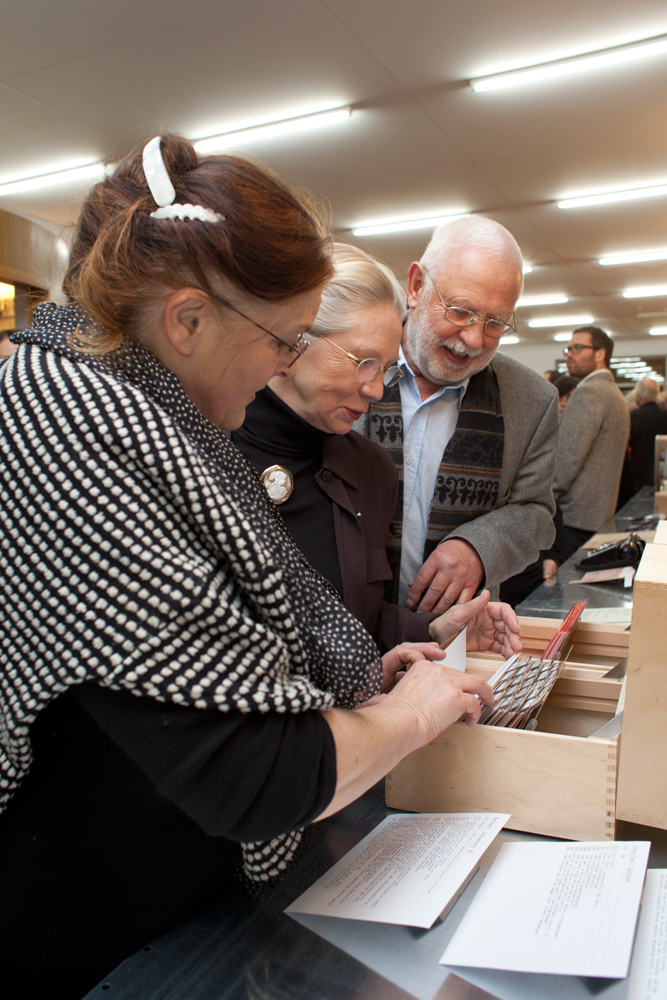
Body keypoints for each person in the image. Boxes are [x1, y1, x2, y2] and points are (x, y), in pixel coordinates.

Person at [0, 136, 494, 999]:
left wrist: (361, 678)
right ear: (187, 320)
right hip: (100, 924)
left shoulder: (154, 412)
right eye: (284, 339)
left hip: (175, 882)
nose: (283, 364)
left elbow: (208, 657)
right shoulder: (75, 430)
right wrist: (409, 717)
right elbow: (260, 773)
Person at [234, 243, 521, 659]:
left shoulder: (370, 470)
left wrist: (434, 629)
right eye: (362, 361)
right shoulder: (203, 448)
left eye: (385, 367)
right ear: (296, 338)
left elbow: (358, 622)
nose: (376, 389)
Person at [358, 215, 559, 614]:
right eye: (460, 311)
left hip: (461, 638)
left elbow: (537, 514)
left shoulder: (532, 400)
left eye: (495, 323)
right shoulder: (349, 364)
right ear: (415, 286)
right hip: (341, 628)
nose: (473, 338)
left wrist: (478, 548)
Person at [548, 326, 630, 565]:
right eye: (568, 348)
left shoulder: (589, 392)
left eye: (578, 348)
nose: (569, 354)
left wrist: (543, 499)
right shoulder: (613, 392)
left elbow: (565, 462)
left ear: (600, 354)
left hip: (575, 519)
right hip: (599, 514)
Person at [629, 377, 667, 490]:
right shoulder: (665, 415)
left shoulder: (633, 416)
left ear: (638, 393)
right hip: (661, 469)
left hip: (637, 472)